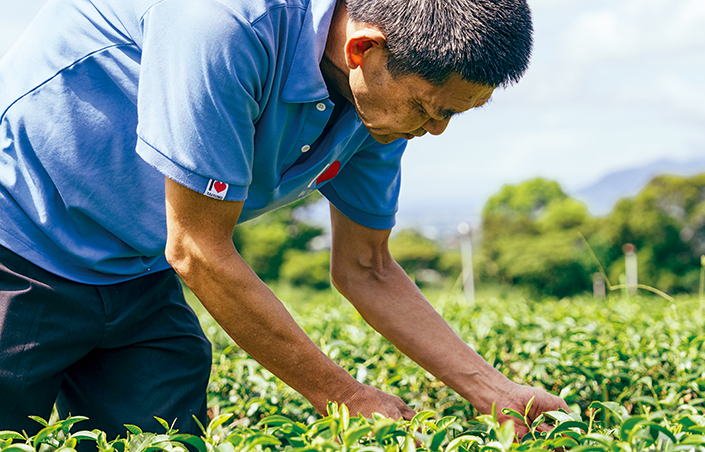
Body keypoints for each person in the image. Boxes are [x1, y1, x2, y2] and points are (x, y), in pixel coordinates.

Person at [0, 0, 569, 441]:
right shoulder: (225, 25)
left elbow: (366, 268)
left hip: (135, 268)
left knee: (167, 432)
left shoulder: (381, 108)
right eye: (429, 108)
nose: (435, 129)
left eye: (451, 114)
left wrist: (496, 392)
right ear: (364, 49)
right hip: (16, 240)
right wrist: (345, 397)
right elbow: (197, 249)